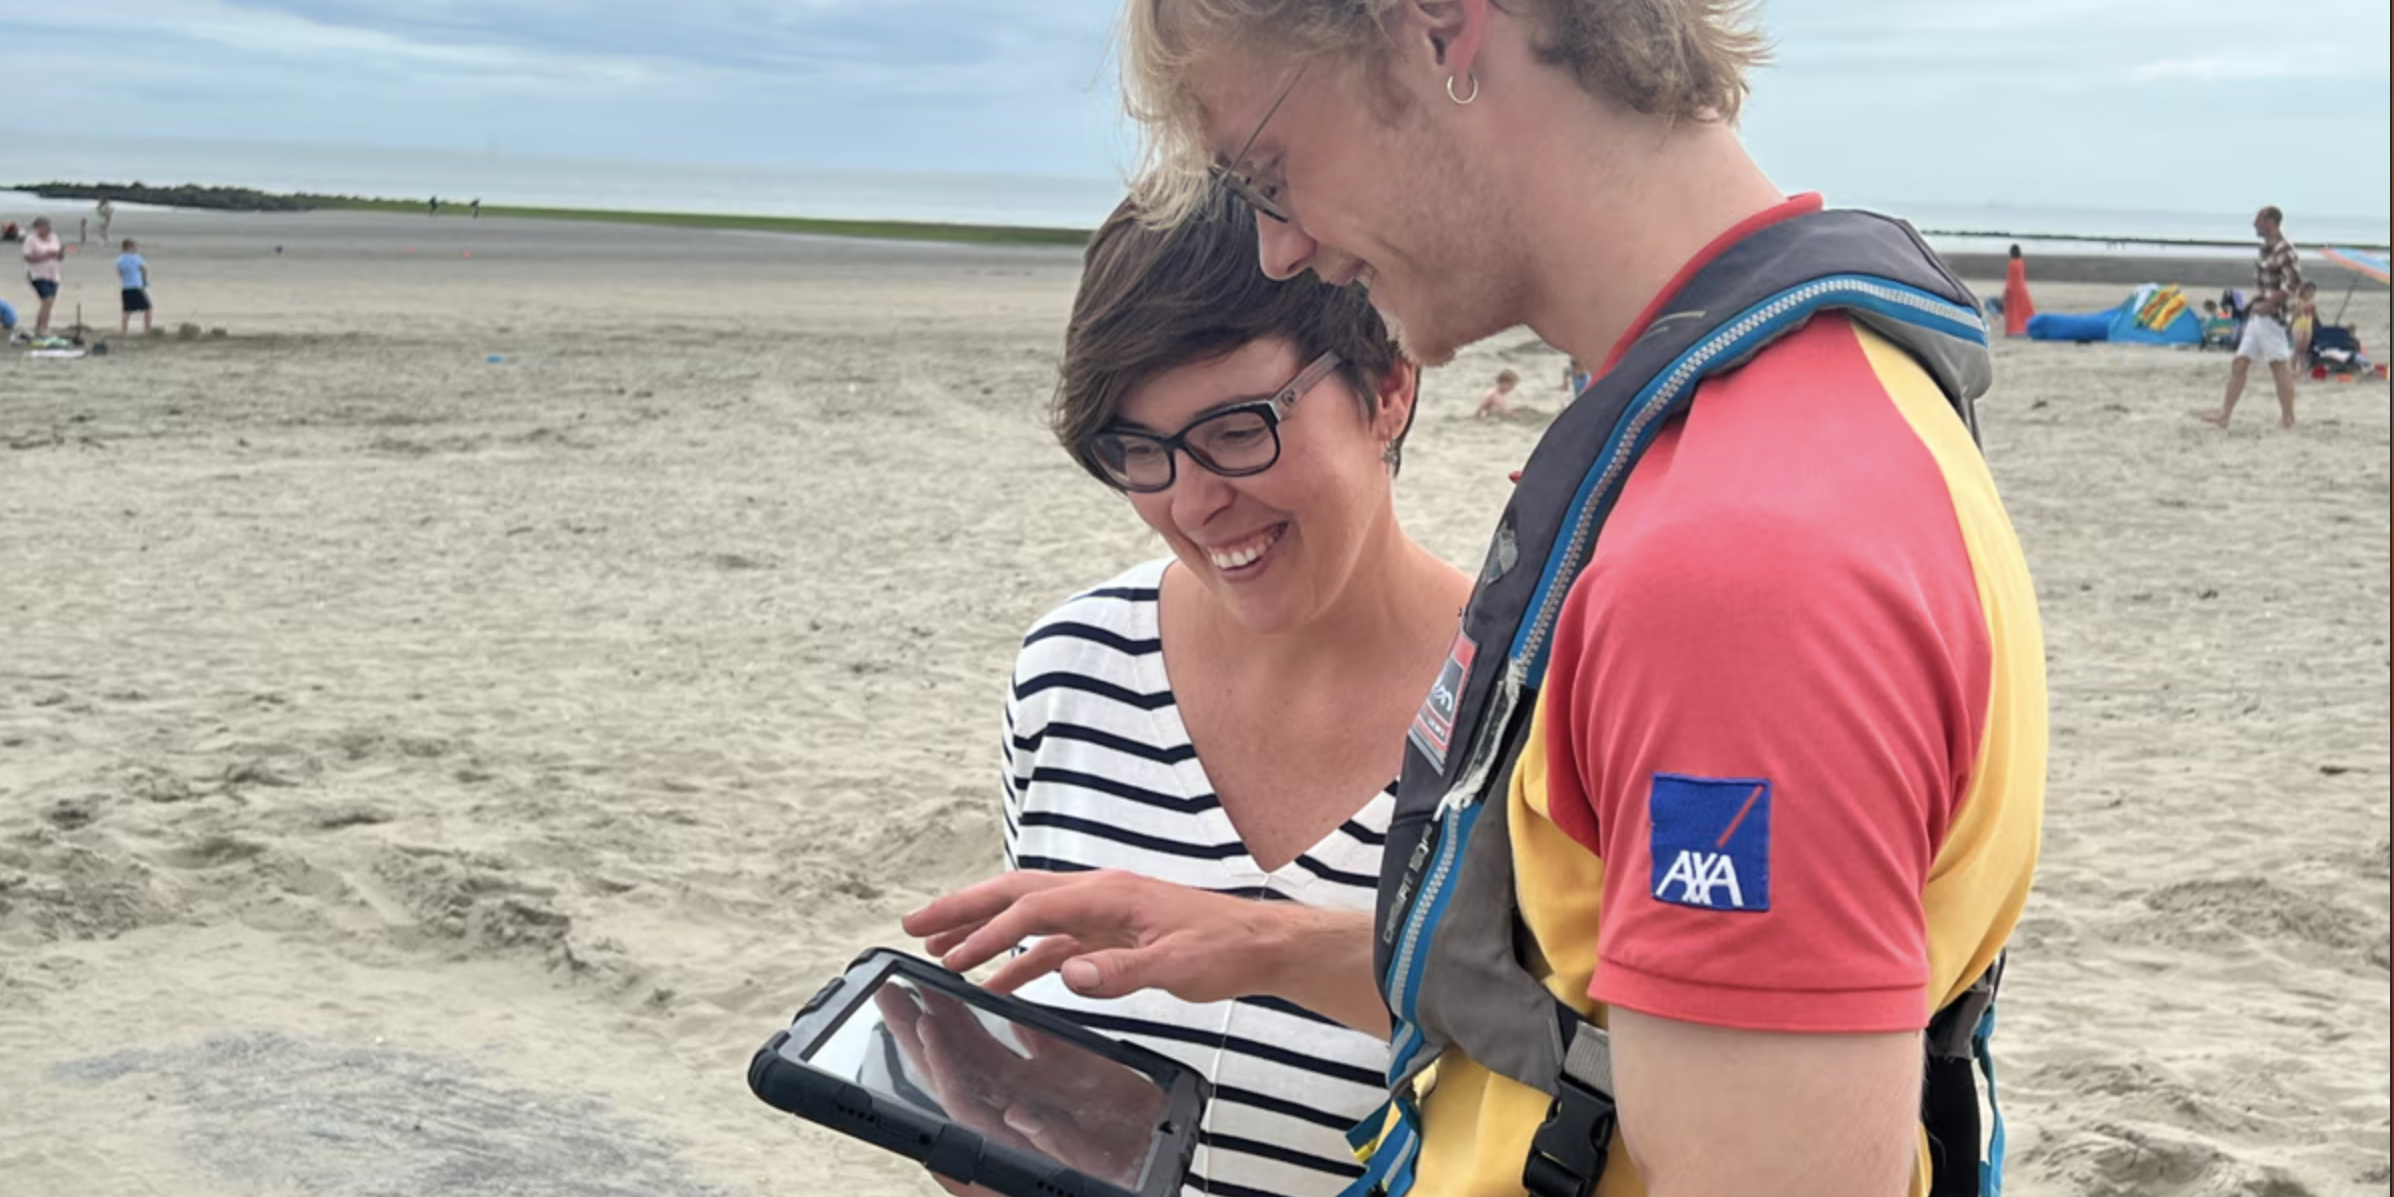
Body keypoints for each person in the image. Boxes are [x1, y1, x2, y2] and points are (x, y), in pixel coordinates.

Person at [909, 4, 2048, 1196]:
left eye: (1270, 171)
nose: (1281, 249)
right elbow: (1602, 1012)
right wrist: (1269, 945)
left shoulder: (1739, 562)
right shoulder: (1836, 399)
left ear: (1441, 35)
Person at [915, 190, 1469, 1197]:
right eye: (1140, 453)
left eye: (1238, 428)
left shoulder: (1538, 703)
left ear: (1388, 387)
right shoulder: (1072, 669)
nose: (1193, 500)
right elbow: (1055, 1083)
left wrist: (1276, 947)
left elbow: (1608, 1054)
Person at [2200, 205, 2303, 429]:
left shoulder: (2284, 250)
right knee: (2239, 363)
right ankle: (2224, 415)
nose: (2254, 225)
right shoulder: (2266, 249)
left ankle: (2288, 418)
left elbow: (2293, 282)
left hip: (2272, 317)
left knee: (2278, 366)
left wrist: (2269, 303)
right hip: (2258, 316)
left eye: (2258, 220)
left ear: (2270, 222)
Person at [22, 217, 63, 337]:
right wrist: (46, 255)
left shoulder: (53, 237)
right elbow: (28, 257)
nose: (47, 229)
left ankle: (45, 326)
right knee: (47, 300)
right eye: (44, 227)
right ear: (37, 228)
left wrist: (60, 254)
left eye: (48, 226)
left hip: (53, 274)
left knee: (50, 303)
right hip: (37, 274)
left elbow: (59, 255)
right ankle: (39, 328)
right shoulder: (31, 239)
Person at [117, 239, 154, 334]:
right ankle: (147, 330)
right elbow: (144, 269)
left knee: (127, 311)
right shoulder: (135, 258)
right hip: (136, 286)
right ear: (129, 247)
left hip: (125, 287)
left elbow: (120, 273)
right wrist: (144, 280)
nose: (136, 249)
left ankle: (124, 331)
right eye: (134, 247)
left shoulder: (120, 259)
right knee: (148, 308)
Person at [2002, 243, 2036, 337]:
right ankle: (2027, 328)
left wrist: (2006, 291)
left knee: (2013, 311)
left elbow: (2010, 279)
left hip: (2013, 289)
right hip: (2022, 289)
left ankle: (2013, 330)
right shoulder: (2021, 262)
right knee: (2024, 310)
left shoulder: (2011, 263)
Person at [2289, 279, 2319, 368]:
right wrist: (2290, 324)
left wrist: (2313, 309)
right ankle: (2292, 366)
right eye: (2309, 291)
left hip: (2308, 327)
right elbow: (2295, 314)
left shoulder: (2312, 302)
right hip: (2299, 326)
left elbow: (2314, 316)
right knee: (2297, 349)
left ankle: (2302, 367)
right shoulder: (2299, 301)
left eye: (2313, 292)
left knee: (2304, 350)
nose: (2311, 294)